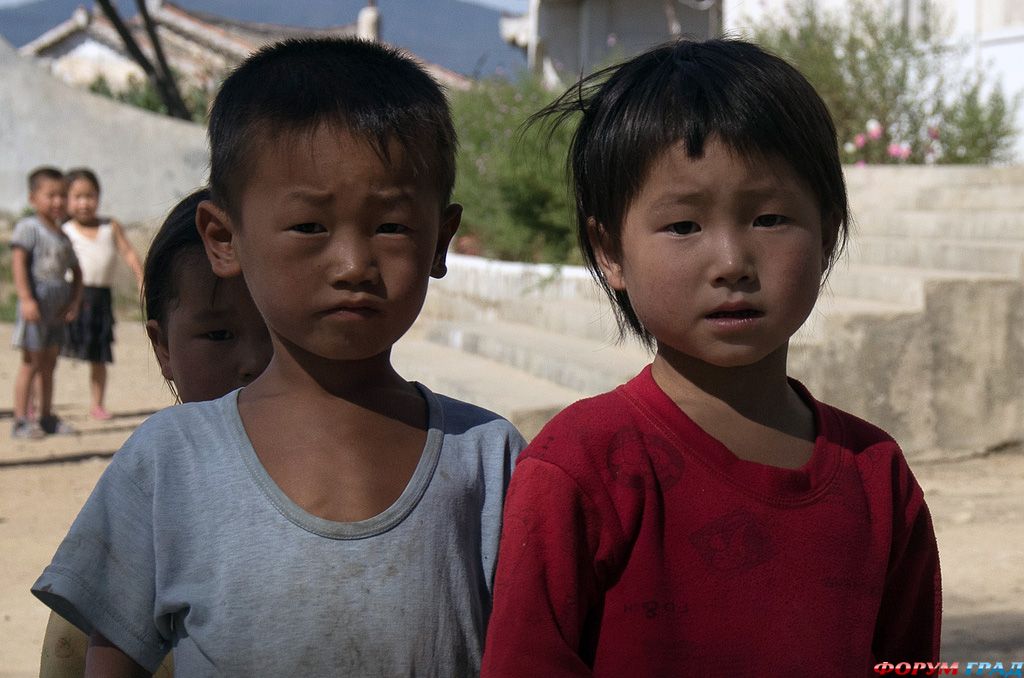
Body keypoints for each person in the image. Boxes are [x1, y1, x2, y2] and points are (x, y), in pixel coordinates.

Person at [33, 38, 525, 676]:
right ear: (224, 239)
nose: (353, 265)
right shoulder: (170, 461)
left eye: (391, 227)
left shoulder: (488, 458)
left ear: (440, 240)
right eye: (310, 227)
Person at [481, 39, 941, 677]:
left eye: (770, 218)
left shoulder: (876, 476)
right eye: (683, 226)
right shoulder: (582, 468)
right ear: (609, 251)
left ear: (829, 232)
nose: (731, 262)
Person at [39, 187, 270, 678]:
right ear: (163, 347)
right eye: (219, 335)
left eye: (279, 331)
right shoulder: (156, 474)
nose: (254, 362)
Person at [61, 167, 145, 420]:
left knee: (100, 353)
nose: (84, 203)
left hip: (100, 299)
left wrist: (141, 277)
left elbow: (128, 252)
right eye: (78, 197)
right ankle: (39, 403)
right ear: (67, 199)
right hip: (72, 297)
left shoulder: (111, 226)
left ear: (98, 196)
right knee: (52, 350)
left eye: (90, 196)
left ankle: (97, 404)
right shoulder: (65, 230)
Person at [10, 166, 82, 438]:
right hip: (36, 307)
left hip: (57, 309)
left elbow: (77, 272)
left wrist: (74, 302)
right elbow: (18, 263)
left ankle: (47, 416)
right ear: (33, 198)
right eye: (51, 195)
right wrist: (26, 299)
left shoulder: (63, 236)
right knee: (31, 363)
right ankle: (20, 420)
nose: (58, 201)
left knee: (50, 364)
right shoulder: (29, 228)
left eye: (63, 195)